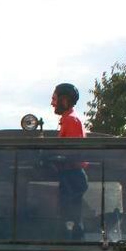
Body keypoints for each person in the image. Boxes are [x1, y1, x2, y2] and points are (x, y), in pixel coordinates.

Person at [51, 82, 88, 237]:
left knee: (69, 219)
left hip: (72, 177)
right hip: (70, 176)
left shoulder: (71, 121)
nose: (52, 103)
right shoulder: (68, 120)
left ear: (64, 100)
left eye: (54, 99)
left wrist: (53, 157)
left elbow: (73, 153)